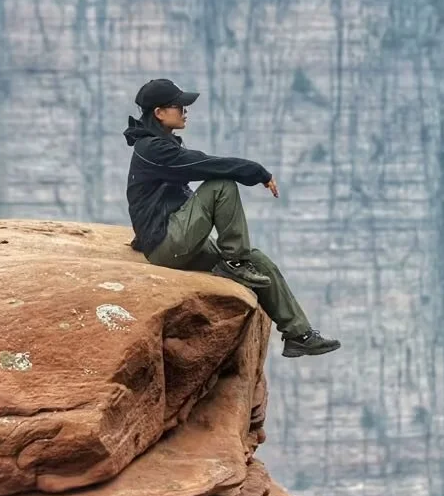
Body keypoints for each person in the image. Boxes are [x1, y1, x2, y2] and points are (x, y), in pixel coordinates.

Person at [124, 78, 341, 358]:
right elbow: (205, 165)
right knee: (221, 185)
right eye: (179, 106)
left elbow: (155, 197)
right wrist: (255, 171)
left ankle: (299, 335)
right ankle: (235, 261)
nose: (185, 111)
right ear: (159, 112)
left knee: (258, 261)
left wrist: (143, 235)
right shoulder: (152, 149)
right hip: (168, 244)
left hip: (173, 241)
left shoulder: (161, 145)